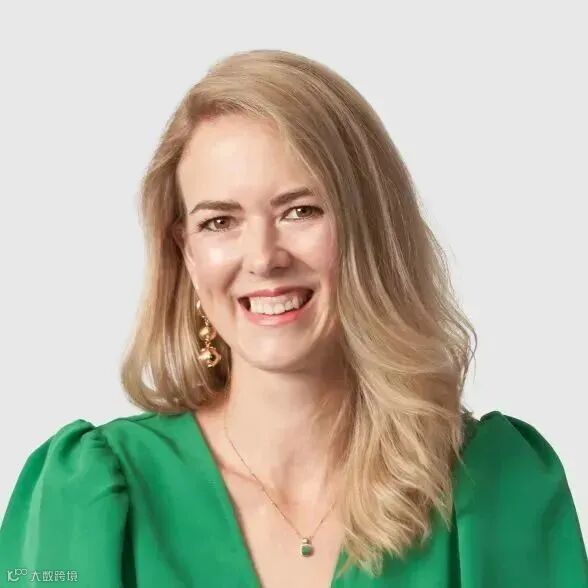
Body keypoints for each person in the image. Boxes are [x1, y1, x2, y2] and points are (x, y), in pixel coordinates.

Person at [1, 49, 586, 588]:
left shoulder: (498, 484)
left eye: (300, 210)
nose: (263, 258)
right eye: (219, 222)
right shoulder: (86, 494)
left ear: (371, 226)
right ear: (186, 253)